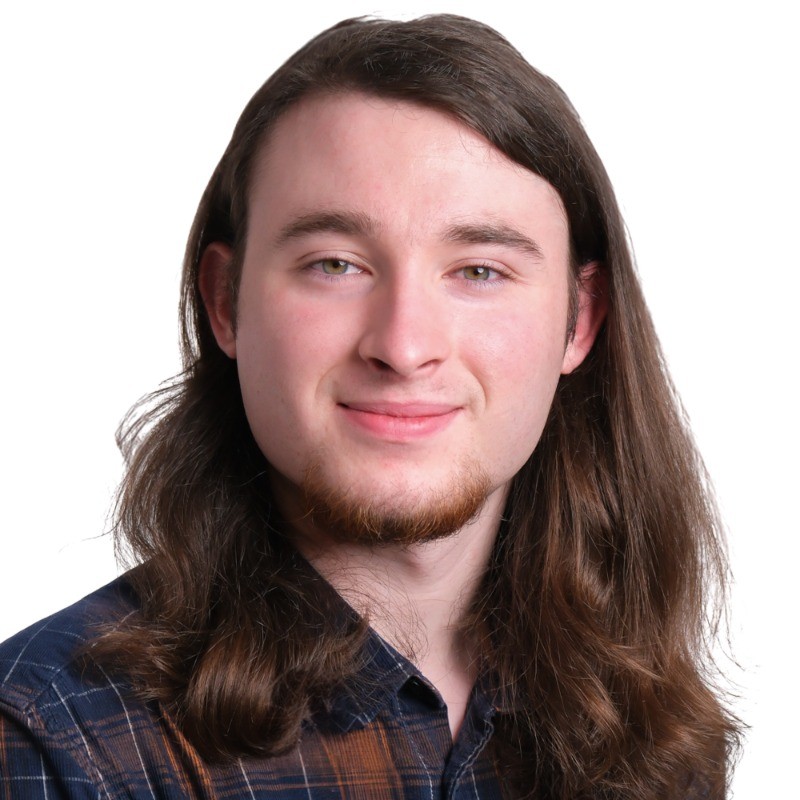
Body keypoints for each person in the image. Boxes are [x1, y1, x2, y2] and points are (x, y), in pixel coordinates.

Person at [0, 14, 739, 799]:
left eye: (480, 271)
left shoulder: (649, 726)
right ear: (224, 303)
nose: (404, 344)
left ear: (579, 321)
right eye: (336, 264)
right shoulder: (56, 743)